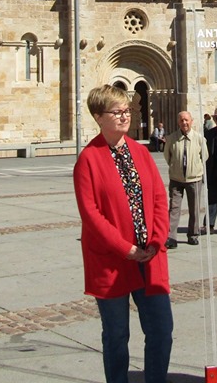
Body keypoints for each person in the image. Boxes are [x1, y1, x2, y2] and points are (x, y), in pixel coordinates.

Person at [73, 85, 172, 383]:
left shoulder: (141, 152)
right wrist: (125, 248)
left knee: (161, 329)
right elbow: (91, 215)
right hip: (112, 261)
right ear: (98, 117)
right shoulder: (89, 159)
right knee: (117, 334)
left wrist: (156, 239)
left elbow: (158, 199)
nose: (124, 116)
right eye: (116, 112)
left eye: (126, 110)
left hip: (149, 257)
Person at [163, 111, 208, 248]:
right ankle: (171, 237)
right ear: (178, 122)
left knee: (194, 208)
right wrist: (175, 166)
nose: (184, 123)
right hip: (176, 178)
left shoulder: (199, 138)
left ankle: (193, 235)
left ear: (191, 121)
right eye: (182, 120)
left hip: (194, 179)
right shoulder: (172, 138)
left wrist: (195, 168)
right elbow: (167, 156)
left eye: (187, 120)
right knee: (174, 208)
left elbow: (204, 156)